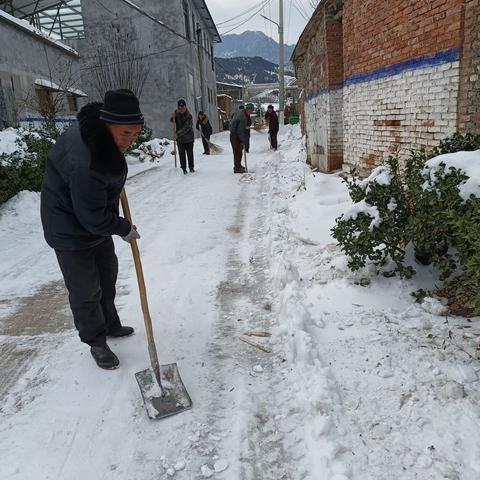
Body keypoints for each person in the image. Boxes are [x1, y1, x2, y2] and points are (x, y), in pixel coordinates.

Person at [40, 89, 144, 370]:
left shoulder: (102, 138)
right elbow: (92, 216)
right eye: (125, 135)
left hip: (92, 220)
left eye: (135, 135)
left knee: (107, 273)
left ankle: (110, 323)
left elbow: (96, 209)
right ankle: (96, 341)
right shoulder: (86, 161)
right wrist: (122, 227)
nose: (130, 141)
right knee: (86, 290)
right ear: (108, 124)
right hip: (68, 229)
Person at [171, 99, 195, 174]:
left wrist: (177, 134)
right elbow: (172, 121)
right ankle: (183, 168)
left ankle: (191, 167)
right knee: (181, 154)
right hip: (180, 140)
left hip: (189, 139)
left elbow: (187, 127)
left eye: (183, 107)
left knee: (189, 154)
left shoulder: (189, 116)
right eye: (180, 108)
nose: (181, 109)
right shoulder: (177, 113)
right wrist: (173, 117)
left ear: (185, 107)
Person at [230, 103, 254, 173]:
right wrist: (243, 140)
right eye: (251, 110)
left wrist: (247, 126)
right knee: (237, 152)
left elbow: (248, 122)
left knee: (240, 152)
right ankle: (236, 168)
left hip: (237, 134)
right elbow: (240, 131)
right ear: (247, 109)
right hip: (235, 135)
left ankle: (239, 165)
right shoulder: (242, 117)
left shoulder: (244, 114)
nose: (251, 112)